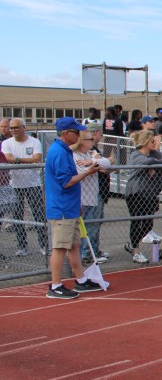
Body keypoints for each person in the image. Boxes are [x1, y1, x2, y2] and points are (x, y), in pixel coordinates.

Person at [43, 118, 105, 298]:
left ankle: (81, 280)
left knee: (73, 245)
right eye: (76, 132)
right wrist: (88, 172)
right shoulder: (59, 152)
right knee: (60, 247)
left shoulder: (64, 150)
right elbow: (66, 181)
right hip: (62, 207)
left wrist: (77, 204)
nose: (79, 135)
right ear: (66, 133)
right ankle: (55, 285)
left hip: (69, 206)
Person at [125, 130, 162, 263]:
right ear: (146, 142)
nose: (155, 143)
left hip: (150, 194)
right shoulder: (135, 155)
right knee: (137, 221)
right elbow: (146, 162)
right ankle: (136, 252)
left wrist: (154, 166)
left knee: (147, 225)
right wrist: (154, 164)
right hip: (136, 193)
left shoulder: (154, 154)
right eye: (152, 141)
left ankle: (133, 244)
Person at [2, 117, 47, 256]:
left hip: (33, 184)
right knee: (17, 216)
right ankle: (22, 246)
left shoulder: (34, 141)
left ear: (24, 127)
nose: (13, 130)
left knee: (38, 214)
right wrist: (25, 161)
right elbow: (8, 158)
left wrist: (17, 160)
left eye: (16, 127)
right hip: (14, 185)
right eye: (11, 128)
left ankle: (43, 245)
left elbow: (37, 158)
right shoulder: (6, 143)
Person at [73, 126, 111, 264]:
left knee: (93, 227)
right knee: (85, 229)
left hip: (93, 197)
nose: (92, 142)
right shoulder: (74, 155)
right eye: (89, 139)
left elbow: (107, 163)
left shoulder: (90, 153)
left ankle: (91, 253)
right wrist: (93, 166)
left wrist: (92, 161)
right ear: (81, 141)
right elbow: (80, 172)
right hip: (82, 198)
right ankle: (86, 254)